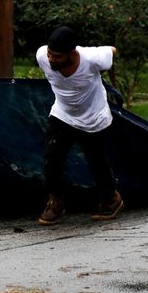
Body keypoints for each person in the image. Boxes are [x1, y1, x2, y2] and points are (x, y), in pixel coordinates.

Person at [35, 25, 123, 225]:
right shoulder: (42, 56)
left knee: (96, 160)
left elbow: (112, 50)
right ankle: (56, 202)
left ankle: (111, 199)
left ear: (72, 53)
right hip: (63, 114)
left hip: (94, 117)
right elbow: (47, 56)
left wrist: (110, 50)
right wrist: (49, 56)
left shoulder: (93, 58)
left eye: (57, 57)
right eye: (50, 55)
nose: (51, 60)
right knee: (52, 156)